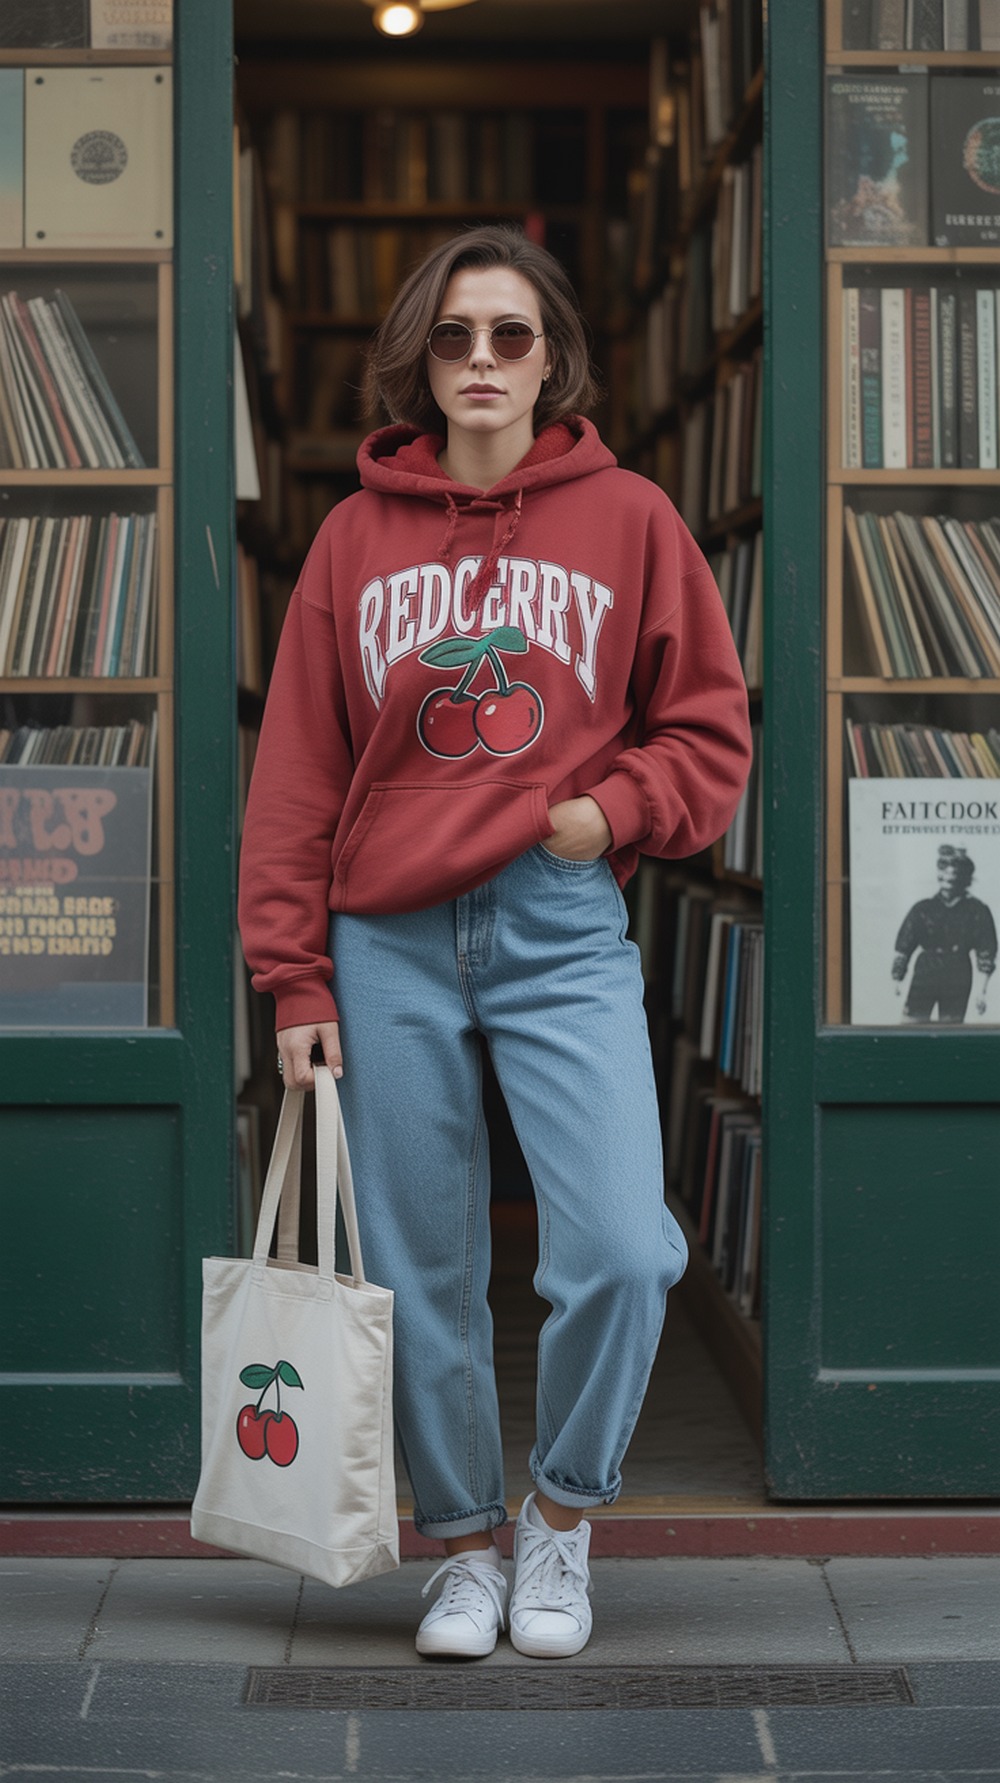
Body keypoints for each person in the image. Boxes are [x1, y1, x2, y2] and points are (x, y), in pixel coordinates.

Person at [238, 226, 752, 1661]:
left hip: (556, 918)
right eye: (455, 336)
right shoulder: (352, 539)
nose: (480, 361)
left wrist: (614, 810)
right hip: (385, 934)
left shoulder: (632, 519)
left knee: (621, 1250)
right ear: (419, 357)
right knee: (419, 1267)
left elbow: (709, 732)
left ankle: (563, 1518)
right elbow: (294, 772)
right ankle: (462, 1545)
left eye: (509, 336)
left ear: (552, 358)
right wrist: (295, 970)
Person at [891, 844, 996, 1022]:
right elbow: (904, 947)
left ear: (965, 879)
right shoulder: (922, 909)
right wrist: (897, 980)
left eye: (954, 877)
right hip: (925, 972)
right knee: (912, 1028)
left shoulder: (977, 910)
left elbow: (987, 952)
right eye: (943, 874)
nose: (948, 879)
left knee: (951, 1030)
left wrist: (982, 992)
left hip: (958, 974)